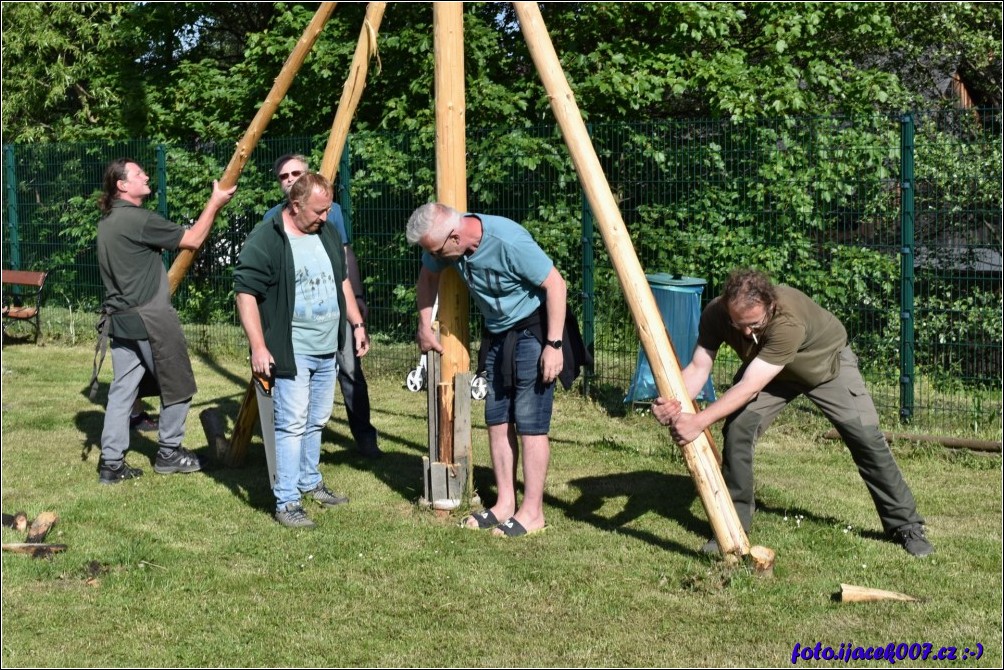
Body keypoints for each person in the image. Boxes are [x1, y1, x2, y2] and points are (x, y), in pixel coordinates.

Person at [651, 268, 934, 557]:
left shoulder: (788, 322)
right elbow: (700, 367)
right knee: (738, 429)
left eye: (755, 324)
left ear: (770, 306)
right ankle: (732, 524)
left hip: (826, 367)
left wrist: (698, 421)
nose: (747, 333)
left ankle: (907, 526)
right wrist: (670, 401)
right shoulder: (716, 313)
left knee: (865, 437)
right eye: (739, 325)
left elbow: (750, 386)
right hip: (773, 374)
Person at [407, 202, 575, 538]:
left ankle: (533, 512)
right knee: (497, 420)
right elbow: (427, 277)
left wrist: (554, 346)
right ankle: (504, 504)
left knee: (530, 423)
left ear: (454, 238)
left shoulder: (507, 239)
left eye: (437, 251)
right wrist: (424, 324)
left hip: (536, 329)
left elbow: (556, 284)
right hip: (498, 334)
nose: (435, 258)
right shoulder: (444, 246)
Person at [235, 172, 369, 529]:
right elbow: (245, 293)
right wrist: (259, 346)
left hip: (328, 347)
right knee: (291, 424)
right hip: (291, 350)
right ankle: (287, 501)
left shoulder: (325, 232)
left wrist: (356, 325)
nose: (326, 217)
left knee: (317, 419)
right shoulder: (267, 238)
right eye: (319, 210)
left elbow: (341, 281)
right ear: (295, 206)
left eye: (327, 210)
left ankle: (311, 482)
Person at [92, 158, 236, 484]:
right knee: (179, 386)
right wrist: (214, 202)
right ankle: (169, 453)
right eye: (138, 173)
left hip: (119, 319)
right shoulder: (137, 220)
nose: (146, 176)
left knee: (121, 394)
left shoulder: (107, 222)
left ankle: (111, 464)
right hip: (150, 317)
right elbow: (194, 239)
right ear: (122, 185)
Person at [265, 154, 381, 458]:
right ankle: (294, 449)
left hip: (334, 309)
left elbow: (343, 256)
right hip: (296, 321)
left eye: (296, 173)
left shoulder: (331, 212)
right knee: (294, 382)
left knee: (351, 371)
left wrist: (356, 299)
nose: (290, 179)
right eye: (283, 176)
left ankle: (365, 439)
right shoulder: (271, 219)